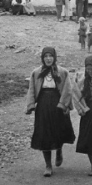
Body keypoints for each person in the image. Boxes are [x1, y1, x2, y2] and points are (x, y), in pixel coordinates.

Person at [25, 47, 75, 177]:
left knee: (58, 130)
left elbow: (67, 89)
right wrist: (31, 105)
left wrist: (63, 104)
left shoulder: (62, 72)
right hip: (43, 105)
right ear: (42, 58)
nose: (48, 59)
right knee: (44, 133)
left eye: (50, 56)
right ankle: (48, 165)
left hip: (58, 103)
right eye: (45, 56)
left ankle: (59, 150)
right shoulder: (36, 73)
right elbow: (31, 89)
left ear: (54, 57)